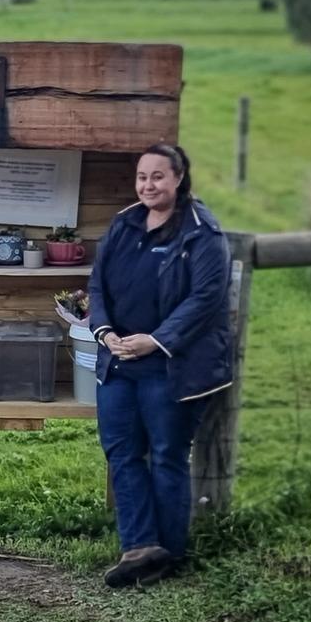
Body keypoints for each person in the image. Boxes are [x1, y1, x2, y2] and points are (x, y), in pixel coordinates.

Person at [88, 143, 232, 588]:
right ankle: (140, 547)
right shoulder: (124, 222)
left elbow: (205, 299)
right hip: (119, 360)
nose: (148, 185)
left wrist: (156, 340)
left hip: (173, 367)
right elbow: (96, 284)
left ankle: (168, 555)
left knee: (167, 454)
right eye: (142, 177)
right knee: (121, 452)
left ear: (179, 179)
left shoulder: (202, 233)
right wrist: (105, 331)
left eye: (158, 177)